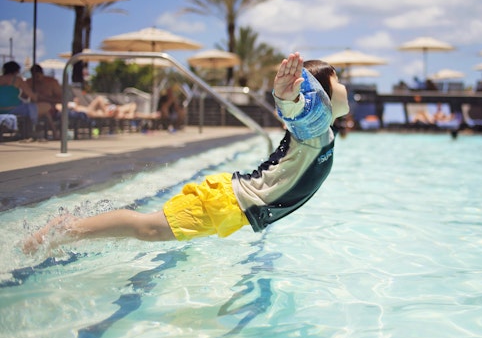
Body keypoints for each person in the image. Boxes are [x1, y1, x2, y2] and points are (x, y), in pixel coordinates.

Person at [24, 52, 349, 252]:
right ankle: (64, 229)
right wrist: (284, 95)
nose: (345, 87)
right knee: (147, 228)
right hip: (229, 201)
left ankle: (68, 229)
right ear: (320, 95)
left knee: (148, 229)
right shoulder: (314, 131)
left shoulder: (325, 134)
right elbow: (298, 113)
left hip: (233, 207)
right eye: (339, 81)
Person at [0, 61, 41, 139]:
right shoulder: (17, 79)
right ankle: (30, 132)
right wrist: (36, 95)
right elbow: (31, 96)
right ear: (16, 70)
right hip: (13, 108)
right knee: (36, 108)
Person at [26, 64, 63, 138]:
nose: (36, 79)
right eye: (34, 76)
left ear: (42, 74)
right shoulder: (29, 82)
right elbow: (23, 96)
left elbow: (61, 99)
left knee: (46, 111)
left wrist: (44, 98)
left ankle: (54, 132)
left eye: (37, 76)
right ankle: (29, 132)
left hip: (50, 107)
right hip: (33, 107)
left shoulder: (51, 82)